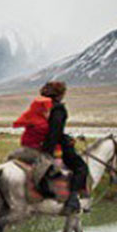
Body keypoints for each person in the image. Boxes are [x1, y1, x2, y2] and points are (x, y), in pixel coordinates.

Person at [39, 80, 88, 212]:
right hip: (51, 147)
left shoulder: (41, 106)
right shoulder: (58, 109)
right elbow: (54, 133)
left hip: (36, 142)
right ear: (60, 94)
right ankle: (72, 200)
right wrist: (66, 141)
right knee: (81, 167)